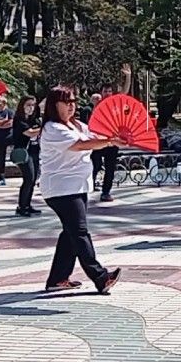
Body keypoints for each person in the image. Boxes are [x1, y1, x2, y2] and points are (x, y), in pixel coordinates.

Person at [38, 86, 122, 293]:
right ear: (53, 105)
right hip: (61, 188)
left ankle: (57, 279)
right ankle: (100, 276)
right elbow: (81, 145)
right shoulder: (53, 129)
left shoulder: (75, 125)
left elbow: (95, 135)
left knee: (70, 233)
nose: (71, 106)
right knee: (79, 232)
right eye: (66, 102)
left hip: (76, 187)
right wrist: (109, 141)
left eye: (73, 101)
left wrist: (115, 135)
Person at [91, 65, 132, 202]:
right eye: (105, 91)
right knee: (95, 164)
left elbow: (125, 92)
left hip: (112, 140)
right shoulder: (98, 102)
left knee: (110, 167)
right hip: (98, 140)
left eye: (109, 91)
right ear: (101, 92)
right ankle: (88, 185)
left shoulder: (116, 103)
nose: (108, 93)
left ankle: (105, 192)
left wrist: (128, 76)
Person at [12, 95, 43, 217]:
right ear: (22, 106)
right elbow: (29, 133)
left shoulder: (34, 120)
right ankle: (22, 206)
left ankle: (27, 204)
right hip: (23, 153)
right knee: (28, 178)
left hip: (34, 151)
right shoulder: (19, 120)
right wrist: (44, 128)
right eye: (28, 105)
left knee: (33, 179)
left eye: (33, 105)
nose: (31, 108)